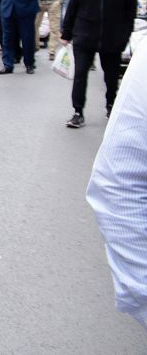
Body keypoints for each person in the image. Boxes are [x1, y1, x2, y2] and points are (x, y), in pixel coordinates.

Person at [86, 44, 147, 332]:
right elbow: (118, 183)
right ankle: (80, 108)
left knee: (111, 73)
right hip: (92, 40)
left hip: (114, 40)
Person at [60, 0, 137, 128]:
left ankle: (111, 105)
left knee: (111, 76)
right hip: (84, 35)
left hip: (112, 37)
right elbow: (73, 7)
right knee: (80, 75)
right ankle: (78, 112)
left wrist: (124, 34)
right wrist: (67, 33)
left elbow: (130, 9)